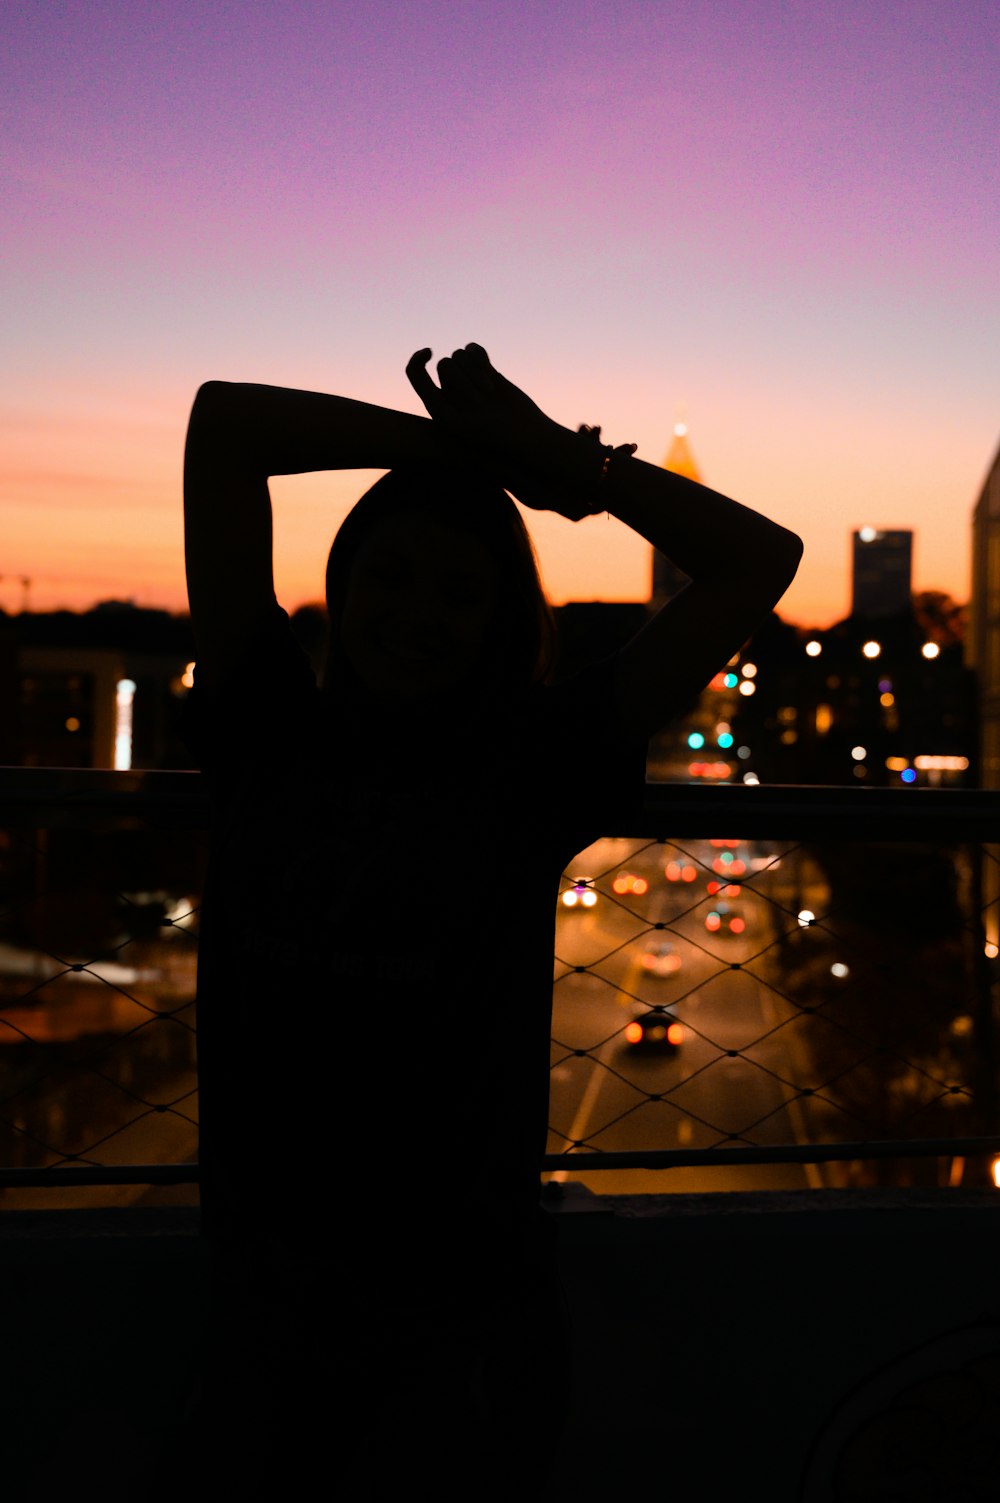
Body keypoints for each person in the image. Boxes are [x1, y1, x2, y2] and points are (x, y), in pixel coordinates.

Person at [181, 343, 802, 1494]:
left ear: (502, 621)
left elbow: (761, 560)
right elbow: (223, 424)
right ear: (345, 581)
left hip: (458, 1321)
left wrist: (569, 467)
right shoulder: (265, 722)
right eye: (395, 577)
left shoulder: (534, 759)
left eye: (462, 594)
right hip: (259, 1297)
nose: (418, 616)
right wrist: (467, 451)